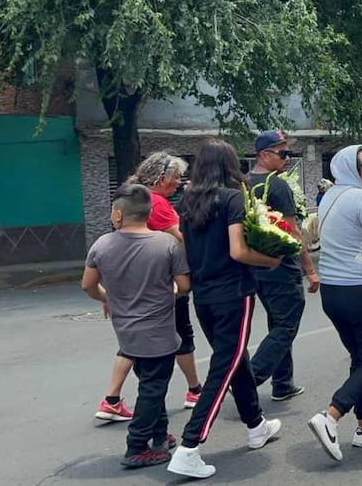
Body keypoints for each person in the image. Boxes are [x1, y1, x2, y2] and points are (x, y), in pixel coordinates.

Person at [166, 139, 283, 479]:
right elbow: (238, 251)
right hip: (233, 293)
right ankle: (189, 446)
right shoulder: (233, 198)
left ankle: (256, 425)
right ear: (230, 165)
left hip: (203, 296)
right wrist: (271, 260)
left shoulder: (187, 202)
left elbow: (186, 247)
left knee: (235, 359)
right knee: (224, 366)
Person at [81, 184, 191, 468]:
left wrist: (109, 298)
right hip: (159, 333)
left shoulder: (102, 245)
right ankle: (137, 446)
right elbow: (184, 285)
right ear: (149, 213)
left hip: (126, 332)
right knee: (154, 388)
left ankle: (159, 434)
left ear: (118, 214)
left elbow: (88, 285)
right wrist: (169, 294)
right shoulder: (167, 244)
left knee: (150, 384)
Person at [94, 152, 203, 423]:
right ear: (160, 178)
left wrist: (108, 294)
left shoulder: (133, 198)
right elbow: (180, 239)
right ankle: (193, 392)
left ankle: (112, 399)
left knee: (131, 343)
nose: (179, 182)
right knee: (180, 336)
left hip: (129, 284)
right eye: (176, 177)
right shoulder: (158, 204)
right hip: (161, 283)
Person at [307, 145, 362, 461]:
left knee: (361, 358)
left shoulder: (330, 196)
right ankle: (331, 415)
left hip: (332, 292)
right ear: (348, 168)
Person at [246, 130, 319, 403]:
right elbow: (293, 232)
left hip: (256, 264)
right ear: (264, 155)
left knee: (276, 322)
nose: (287, 158)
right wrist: (310, 270)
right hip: (282, 265)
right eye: (282, 153)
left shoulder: (244, 183)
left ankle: (283, 383)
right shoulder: (277, 186)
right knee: (287, 324)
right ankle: (250, 377)